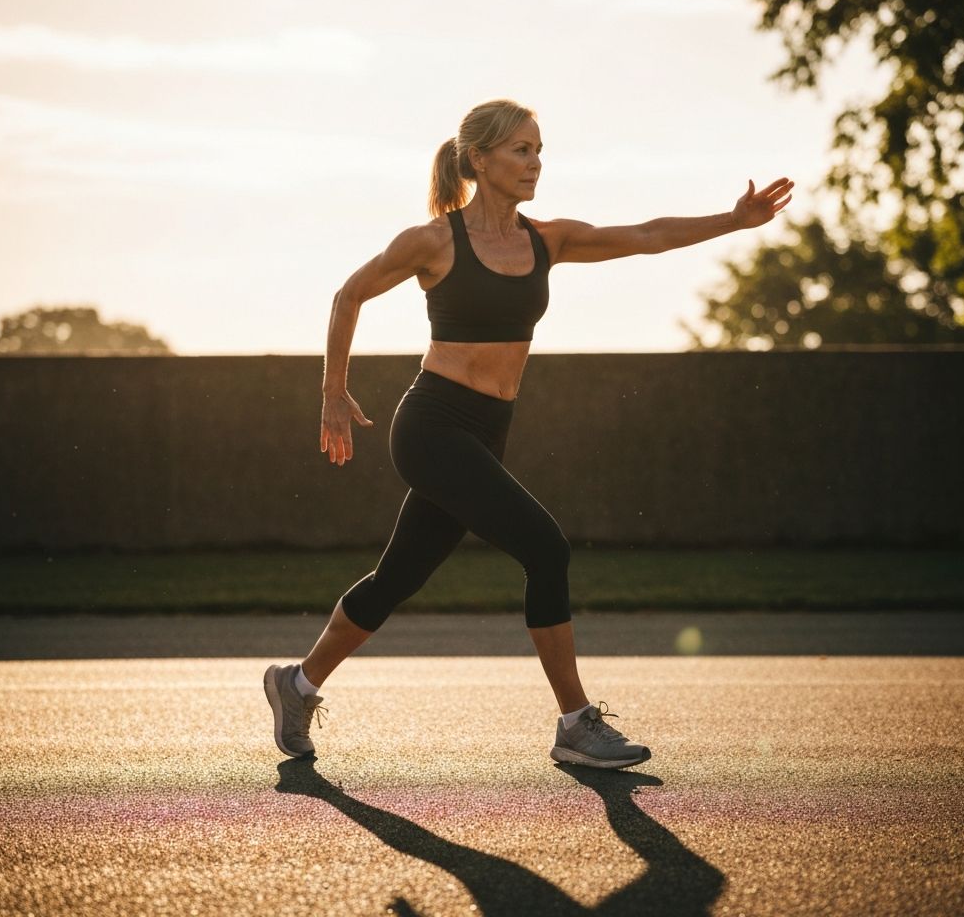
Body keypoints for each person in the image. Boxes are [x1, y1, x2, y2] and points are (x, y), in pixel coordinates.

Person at [265, 98, 793, 769]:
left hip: (487, 430)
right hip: (431, 425)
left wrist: (734, 220)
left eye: (539, 149)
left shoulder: (549, 240)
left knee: (397, 577)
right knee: (547, 550)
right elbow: (349, 295)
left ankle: (297, 684)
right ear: (479, 160)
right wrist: (332, 393)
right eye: (520, 150)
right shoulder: (434, 241)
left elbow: (647, 235)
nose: (534, 162)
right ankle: (576, 724)